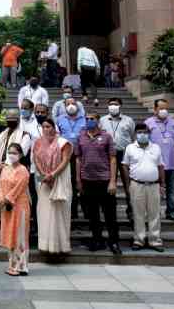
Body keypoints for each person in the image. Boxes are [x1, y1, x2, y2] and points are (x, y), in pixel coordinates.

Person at [75, 113, 121, 254]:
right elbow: (78, 159)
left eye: (92, 119)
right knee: (93, 214)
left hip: (105, 180)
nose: (89, 121)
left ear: (98, 120)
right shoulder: (81, 137)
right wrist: (78, 180)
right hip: (88, 181)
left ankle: (113, 242)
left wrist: (113, 181)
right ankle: (97, 240)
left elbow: (113, 159)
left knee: (110, 214)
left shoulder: (106, 136)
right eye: (87, 119)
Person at [121, 123, 165, 252]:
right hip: (136, 184)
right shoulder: (130, 148)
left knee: (154, 213)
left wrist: (163, 184)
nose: (142, 135)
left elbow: (160, 166)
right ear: (135, 134)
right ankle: (139, 240)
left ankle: (154, 240)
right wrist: (128, 183)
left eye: (145, 132)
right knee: (138, 213)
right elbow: (125, 165)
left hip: (154, 185)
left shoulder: (156, 147)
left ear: (149, 133)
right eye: (140, 132)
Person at [33, 118, 73, 254]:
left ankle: (60, 246)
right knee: (44, 212)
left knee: (58, 212)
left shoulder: (63, 142)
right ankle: (44, 246)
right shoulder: (38, 143)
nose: (46, 129)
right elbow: (36, 159)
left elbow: (65, 160)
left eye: (48, 126)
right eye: (43, 127)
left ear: (54, 128)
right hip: (44, 181)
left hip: (60, 179)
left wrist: (53, 174)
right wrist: (44, 174)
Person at [145, 99, 174, 223]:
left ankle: (171, 212)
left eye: (165, 108)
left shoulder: (173, 123)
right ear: (155, 109)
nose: (163, 111)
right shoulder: (148, 123)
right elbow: (143, 141)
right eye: (161, 108)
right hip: (155, 164)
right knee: (155, 190)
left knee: (171, 189)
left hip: (171, 162)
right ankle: (154, 213)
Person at [0, 143, 31, 276]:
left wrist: (8, 199)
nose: (11, 155)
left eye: (14, 153)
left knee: (20, 235)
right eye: (9, 152)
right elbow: (0, 184)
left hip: (19, 206)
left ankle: (21, 266)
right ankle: (11, 264)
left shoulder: (23, 170)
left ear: (21, 155)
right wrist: (1, 199)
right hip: (7, 207)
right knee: (10, 234)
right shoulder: (5, 169)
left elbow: (19, 188)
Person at [99, 97, 135, 220]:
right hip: (107, 155)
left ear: (120, 106)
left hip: (124, 153)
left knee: (128, 183)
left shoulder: (128, 120)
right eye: (110, 104)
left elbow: (132, 136)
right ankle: (108, 208)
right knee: (108, 182)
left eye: (115, 104)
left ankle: (131, 209)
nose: (113, 106)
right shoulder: (102, 120)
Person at [56, 97, 86, 219]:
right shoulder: (59, 119)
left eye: (73, 103)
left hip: (82, 155)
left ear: (77, 105)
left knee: (81, 182)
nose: (71, 105)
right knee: (68, 183)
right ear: (64, 106)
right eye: (68, 104)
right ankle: (71, 211)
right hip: (65, 156)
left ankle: (86, 210)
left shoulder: (85, 119)